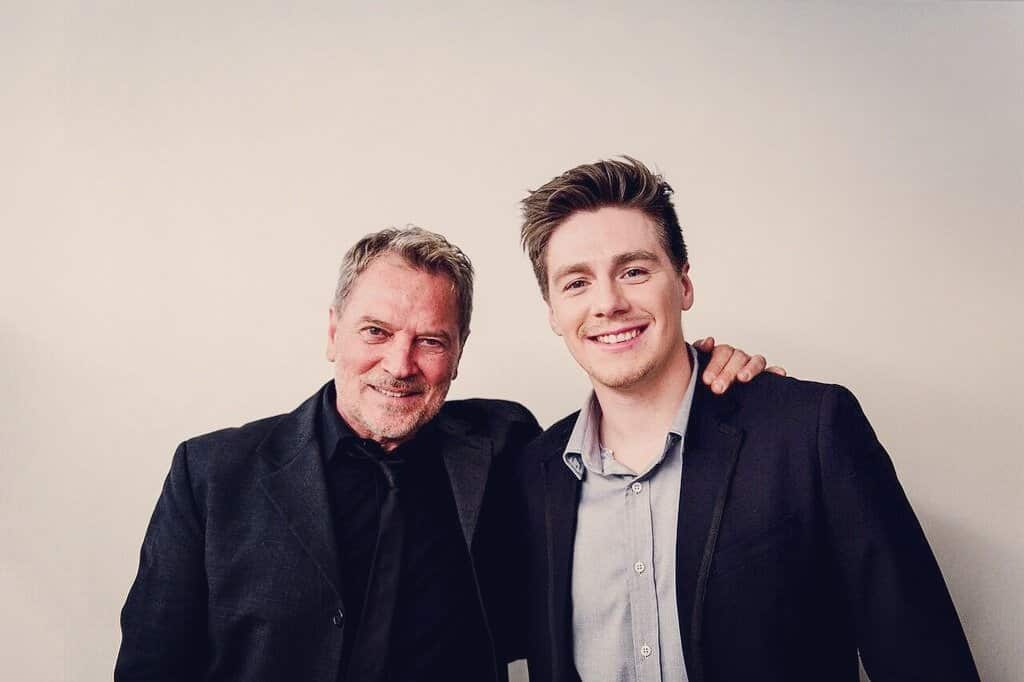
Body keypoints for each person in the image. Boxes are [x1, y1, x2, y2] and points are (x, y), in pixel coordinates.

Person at [114, 226, 770, 682]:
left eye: (431, 340)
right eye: (375, 332)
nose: (400, 365)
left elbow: (628, 428)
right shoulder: (212, 474)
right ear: (334, 332)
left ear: (458, 354)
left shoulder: (506, 444)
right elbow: (151, 668)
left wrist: (704, 374)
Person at [514, 157, 979, 682]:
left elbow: (925, 659)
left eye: (634, 271)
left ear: (684, 283)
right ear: (552, 311)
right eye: (576, 283)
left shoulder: (809, 431)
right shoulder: (532, 473)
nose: (608, 303)